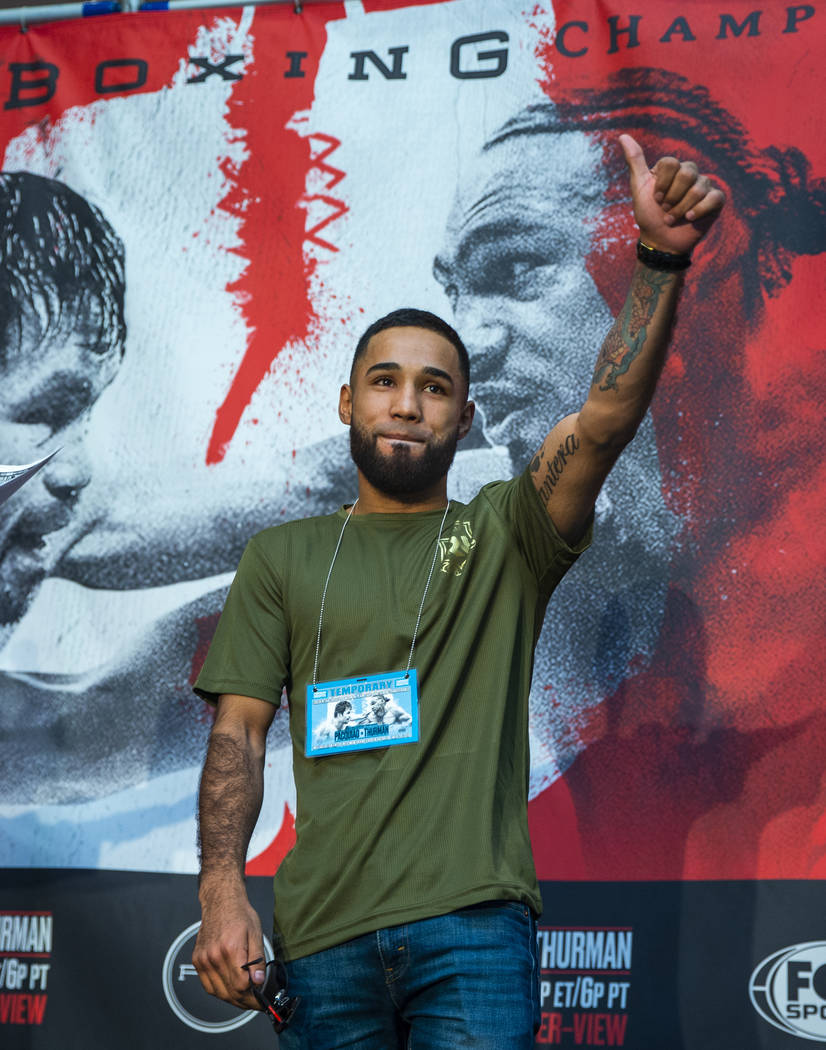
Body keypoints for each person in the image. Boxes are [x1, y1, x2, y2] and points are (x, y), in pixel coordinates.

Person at [190, 133, 724, 1046]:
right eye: (385, 383)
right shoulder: (280, 555)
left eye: (435, 388)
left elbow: (601, 418)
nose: (407, 403)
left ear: (466, 418)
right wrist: (222, 888)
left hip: (472, 927)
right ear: (347, 403)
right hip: (320, 937)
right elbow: (238, 729)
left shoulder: (508, 534)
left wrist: (659, 261)